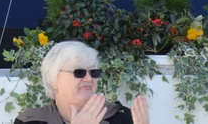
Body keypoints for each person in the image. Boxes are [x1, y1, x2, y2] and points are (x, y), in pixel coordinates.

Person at [13, 41, 148, 124]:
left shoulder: (121, 118)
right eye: (79, 72)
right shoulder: (31, 121)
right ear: (53, 79)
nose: (89, 79)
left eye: (93, 72)